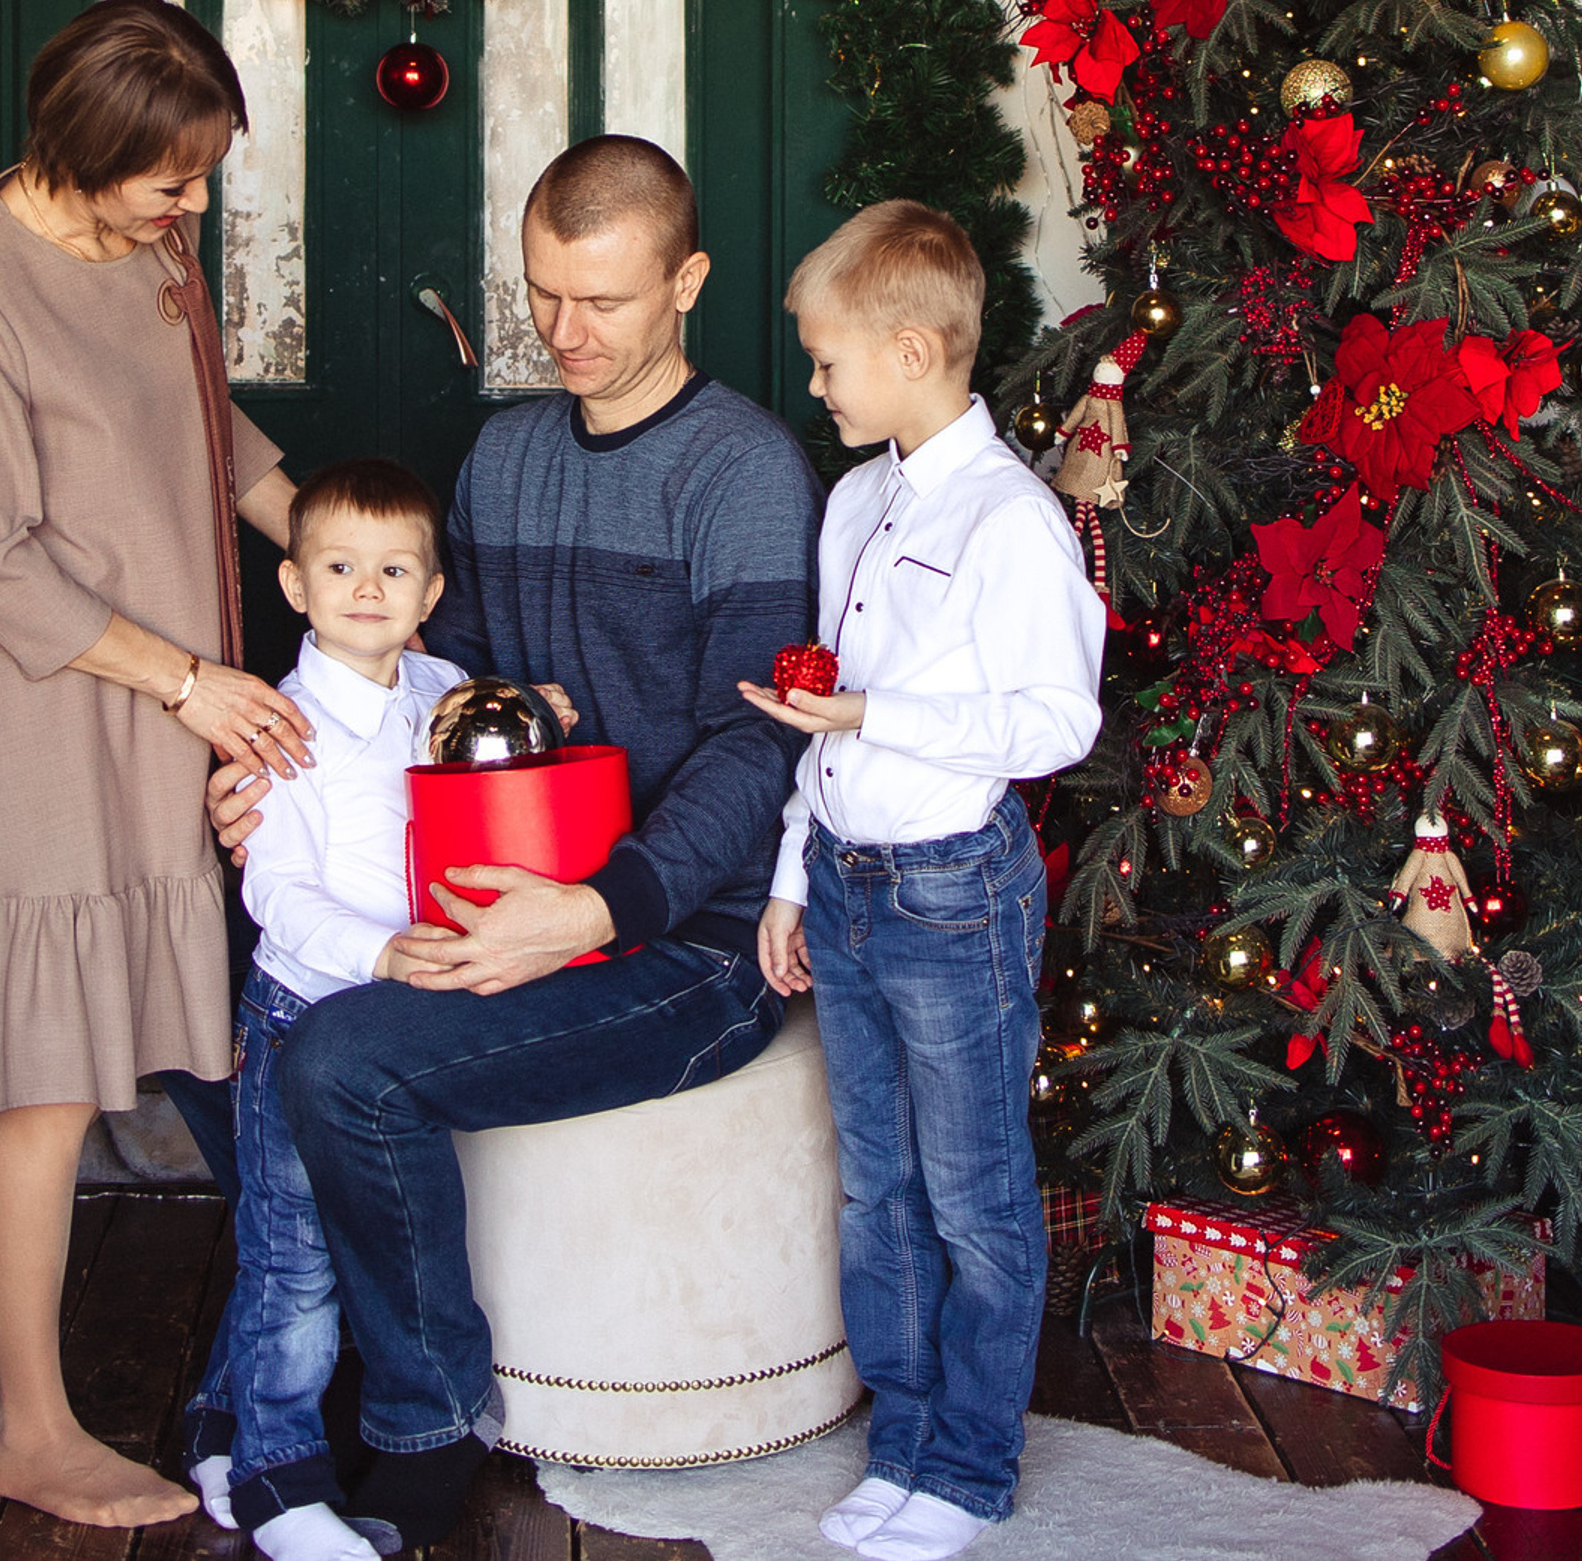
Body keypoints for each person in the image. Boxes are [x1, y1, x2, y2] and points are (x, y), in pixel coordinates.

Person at [208, 135, 821, 1548]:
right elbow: (422, 692)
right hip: (495, 892)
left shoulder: (743, 472)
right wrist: (274, 785)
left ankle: (418, 1420)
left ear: (690, 282)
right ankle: (253, 1410)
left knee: (345, 1063)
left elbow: (762, 741)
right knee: (240, 1021)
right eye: (543, 294)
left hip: (688, 940)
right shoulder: (507, 452)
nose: (565, 333)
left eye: (602, 300)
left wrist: (598, 909)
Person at [0, 0, 316, 1533]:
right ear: (77, 148)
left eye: (203, 179)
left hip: (154, 697)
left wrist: (313, 543)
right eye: (170, 183)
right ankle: (29, 1430)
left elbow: (200, 424)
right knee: (51, 1081)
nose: (194, 211)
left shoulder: (151, 250)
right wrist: (192, 681)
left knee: (49, 1066)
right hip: (50, 716)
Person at [748, 201, 1102, 1561]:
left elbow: (1056, 723)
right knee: (876, 1187)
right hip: (844, 883)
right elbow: (825, 714)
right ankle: (898, 1446)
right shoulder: (855, 502)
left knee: (972, 1194)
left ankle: (968, 1466)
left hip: (957, 893)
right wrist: (793, 875)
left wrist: (878, 723)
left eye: (829, 360)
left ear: (909, 349)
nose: (818, 383)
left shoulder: (1013, 521)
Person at [182, 457, 469, 1561]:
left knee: (307, 1244)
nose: (367, 588)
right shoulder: (283, 725)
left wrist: (532, 709)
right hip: (309, 1014)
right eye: (340, 566)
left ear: (429, 590)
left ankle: (220, 1424)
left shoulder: (438, 688)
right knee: (292, 1253)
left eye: (394, 568)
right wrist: (382, 951)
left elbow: (479, 762)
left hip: (398, 1032)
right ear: (295, 584)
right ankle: (277, 1481)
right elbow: (276, 895)